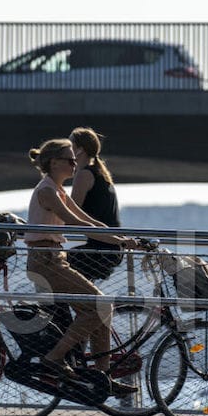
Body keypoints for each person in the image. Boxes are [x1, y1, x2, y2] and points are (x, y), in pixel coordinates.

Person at [24, 138, 135, 396]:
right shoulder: (47, 191)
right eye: (69, 159)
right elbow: (76, 224)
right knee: (100, 305)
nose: (75, 163)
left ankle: (101, 377)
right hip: (45, 262)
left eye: (76, 158)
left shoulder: (58, 190)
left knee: (100, 308)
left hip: (55, 259)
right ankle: (54, 358)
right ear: (54, 163)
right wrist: (120, 240)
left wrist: (125, 239)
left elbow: (91, 222)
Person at [66, 127, 123, 282]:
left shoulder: (84, 175)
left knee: (57, 266)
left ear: (80, 150)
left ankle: (61, 306)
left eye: (70, 145)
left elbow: (70, 212)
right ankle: (85, 304)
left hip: (102, 247)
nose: (66, 149)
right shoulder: (98, 172)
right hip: (110, 246)